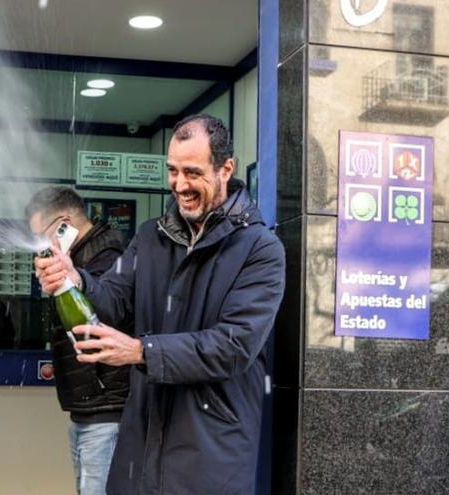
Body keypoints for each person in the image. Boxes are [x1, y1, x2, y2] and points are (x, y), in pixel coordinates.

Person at [36, 114, 286, 494]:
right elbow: (114, 300)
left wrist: (141, 351)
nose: (179, 184)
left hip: (211, 452)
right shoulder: (150, 236)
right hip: (141, 444)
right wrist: (77, 280)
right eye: (172, 171)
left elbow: (233, 347)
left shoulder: (260, 249)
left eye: (192, 172)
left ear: (226, 169)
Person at [25, 186, 129, 495]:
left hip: (106, 408)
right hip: (87, 408)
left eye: (42, 235)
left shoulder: (109, 256)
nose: (40, 245)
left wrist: (69, 279)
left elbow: (101, 315)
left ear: (64, 223)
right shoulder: (77, 254)